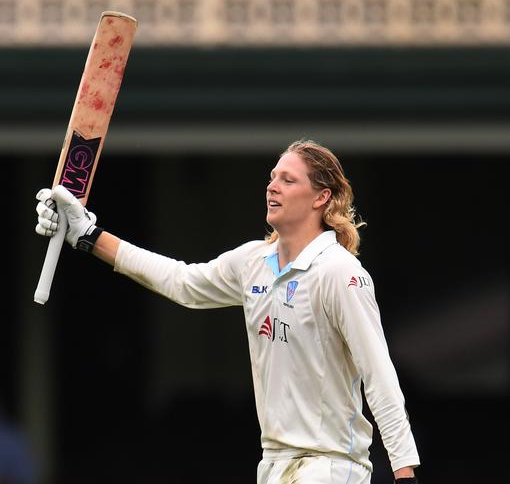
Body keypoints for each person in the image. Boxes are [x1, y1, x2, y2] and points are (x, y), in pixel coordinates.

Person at [35, 139, 421, 483]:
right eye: (272, 177)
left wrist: (404, 470)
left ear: (321, 197)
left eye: (288, 180)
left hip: (332, 466)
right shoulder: (252, 261)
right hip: (273, 465)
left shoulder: (339, 273)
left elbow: (379, 375)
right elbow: (181, 283)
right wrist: (88, 236)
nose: (272, 186)